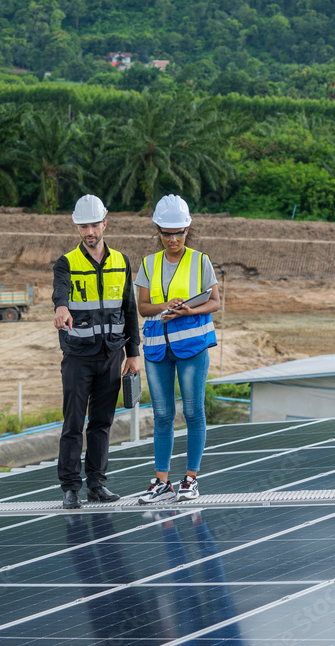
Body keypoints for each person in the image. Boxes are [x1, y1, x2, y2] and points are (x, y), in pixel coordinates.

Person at [53, 194, 141, 509]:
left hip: (112, 354)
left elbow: (129, 309)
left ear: (105, 223)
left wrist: (133, 353)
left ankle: (96, 484)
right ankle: (70, 488)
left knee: (102, 422)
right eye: (83, 226)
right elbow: (60, 290)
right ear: (77, 227)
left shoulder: (121, 261)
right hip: (78, 356)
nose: (89, 231)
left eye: (94, 224)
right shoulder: (66, 262)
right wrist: (61, 307)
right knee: (73, 422)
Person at [135, 194, 220, 504]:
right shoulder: (148, 264)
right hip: (158, 348)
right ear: (158, 232)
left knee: (193, 411)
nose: (173, 239)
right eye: (167, 233)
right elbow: (143, 307)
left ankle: (190, 479)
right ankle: (161, 482)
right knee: (162, 414)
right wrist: (164, 306)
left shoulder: (201, 261)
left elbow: (215, 301)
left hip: (192, 347)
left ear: (188, 230)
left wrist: (187, 311)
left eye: (179, 232)